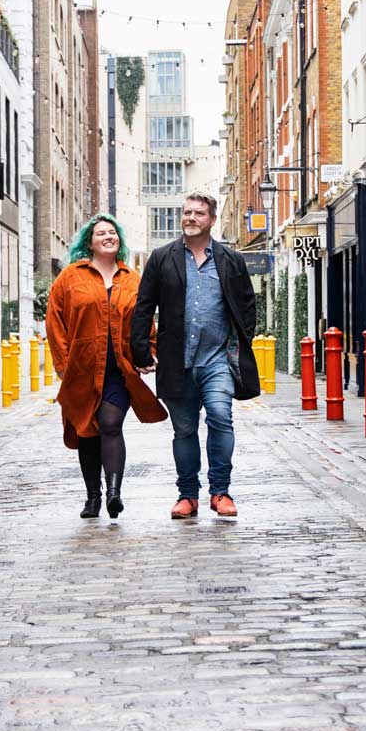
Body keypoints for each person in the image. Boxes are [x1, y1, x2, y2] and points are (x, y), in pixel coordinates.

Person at [130, 191, 259, 519]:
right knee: (184, 430)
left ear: (212, 220)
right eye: (186, 212)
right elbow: (144, 306)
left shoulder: (231, 260)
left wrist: (241, 343)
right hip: (177, 361)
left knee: (220, 417)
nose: (190, 218)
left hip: (218, 360)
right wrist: (141, 350)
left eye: (198, 213)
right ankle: (188, 495)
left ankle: (221, 492)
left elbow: (247, 305)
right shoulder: (162, 258)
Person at [47, 214, 166, 519]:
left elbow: (144, 320)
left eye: (112, 232)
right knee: (87, 430)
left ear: (119, 240)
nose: (108, 237)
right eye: (101, 233)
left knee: (110, 423)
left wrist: (148, 352)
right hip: (82, 370)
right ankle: (92, 498)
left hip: (120, 371)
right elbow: (55, 322)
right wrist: (64, 365)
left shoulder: (132, 279)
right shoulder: (70, 277)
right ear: (90, 241)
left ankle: (114, 493)